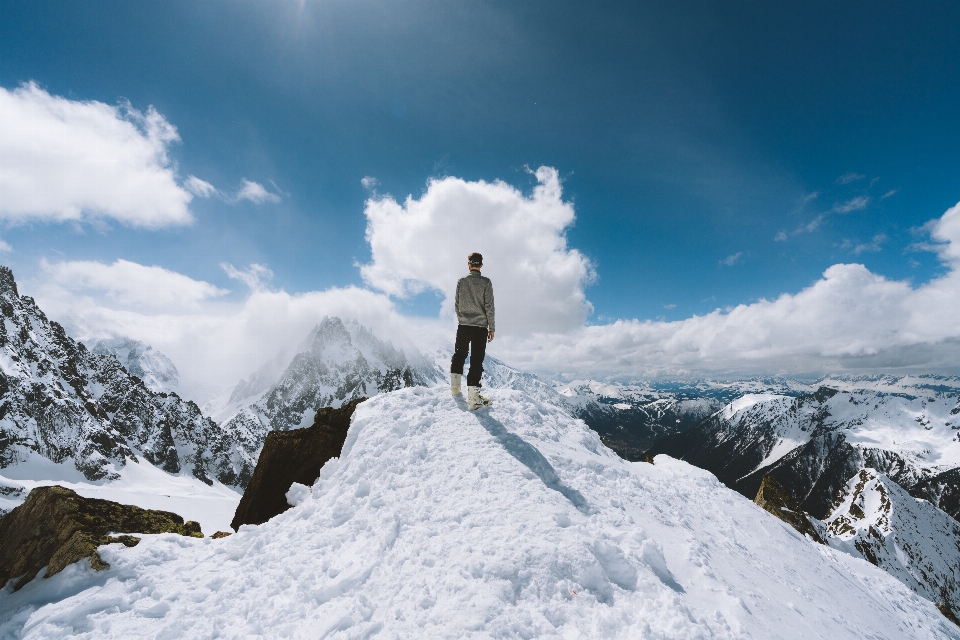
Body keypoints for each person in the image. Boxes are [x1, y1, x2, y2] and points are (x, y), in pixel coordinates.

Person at [450, 252, 495, 409]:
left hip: (463, 326)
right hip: (480, 328)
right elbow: (489, 307)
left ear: (469, 264)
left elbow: (457, 304)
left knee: (459, 355)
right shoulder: (486, 282)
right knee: (476, 361)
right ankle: (474, 399)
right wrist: (492, 328)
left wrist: (462, 319)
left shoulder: (461, 281)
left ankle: (455, 390)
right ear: (481, 265)